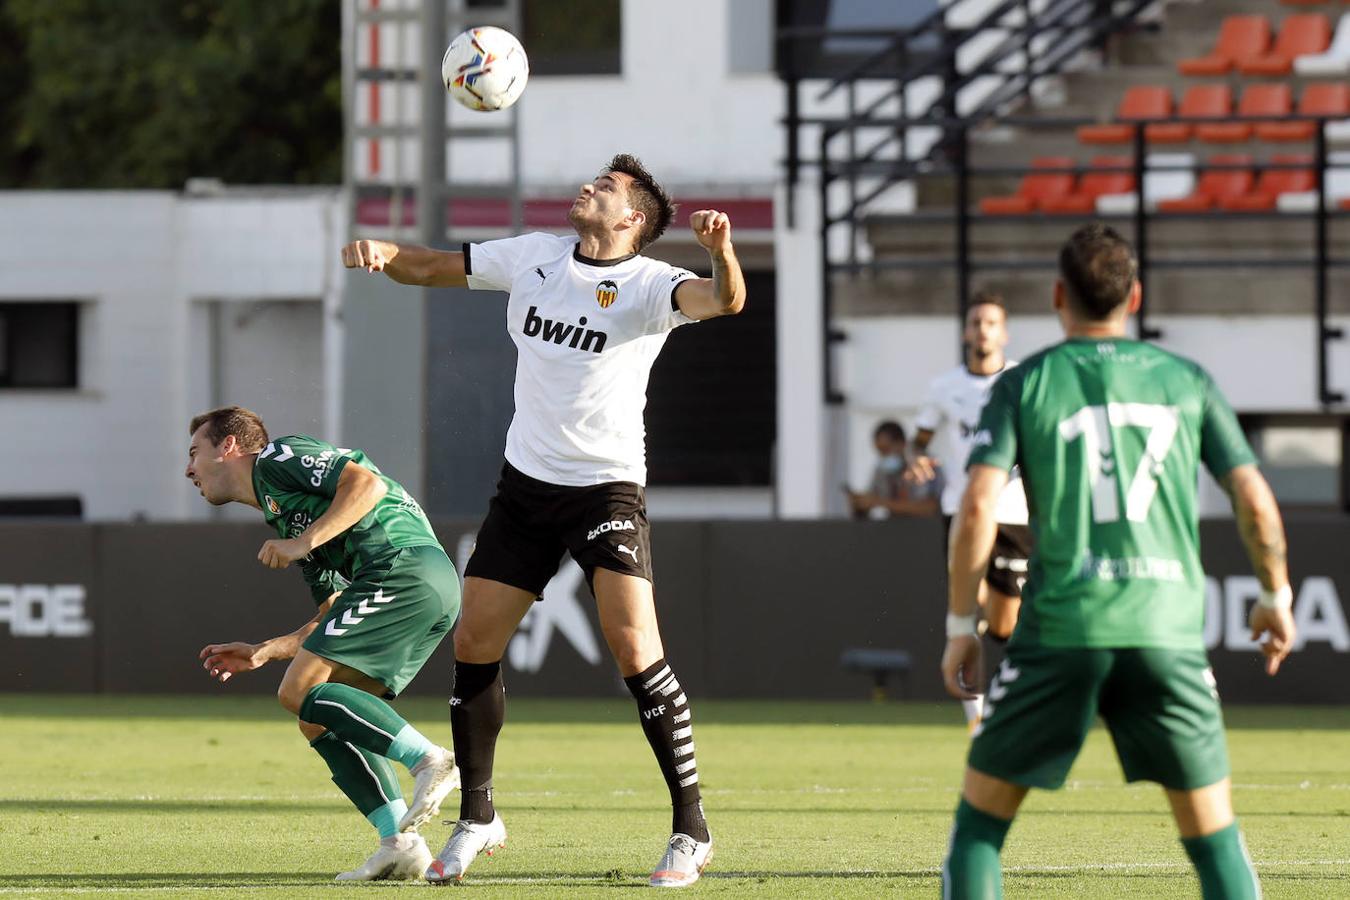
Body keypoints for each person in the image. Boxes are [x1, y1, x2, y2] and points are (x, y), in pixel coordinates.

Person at [340, 153, 746, 887]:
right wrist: (384, 254)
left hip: (605, 491)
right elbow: (431, 267)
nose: (590, 187)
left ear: (631, 221)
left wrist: (720, 252)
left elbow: (723, 303)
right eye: (596, 180)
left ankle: (692, 829)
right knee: (474, 641)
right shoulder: (534, 256)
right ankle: (478, 817)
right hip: (525, 488)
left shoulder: (654, 285)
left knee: (633, 649)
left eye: (609, 188)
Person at [939, 224, 1295, 899]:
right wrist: (1276, 596)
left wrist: (963, 622)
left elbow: (978, 508)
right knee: (1215, 841)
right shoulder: (1185, 379)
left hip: (1062, 631)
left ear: (1057, 295)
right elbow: (1255, 498)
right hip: (1166, 633)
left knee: (979, 832)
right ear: (1135, 297)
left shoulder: (1028, 382)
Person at [186, 406, 462, 882]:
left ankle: (430, 761)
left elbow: (366, 484)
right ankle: (399, 843)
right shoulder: (285, 515)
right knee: (314, 715)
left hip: (403, 567)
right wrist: (265, 650)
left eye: (194, 453)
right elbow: (331, 611)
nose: (189, 469)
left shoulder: (277, 457)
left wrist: (304, 543)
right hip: (420, 585)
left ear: (229, 446)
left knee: (297, 691)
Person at [907, 291, 1031, 724]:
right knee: (968, 605)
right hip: (960, 509)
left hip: (1014, 513)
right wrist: (915, 459)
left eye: (991, 323)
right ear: (966, 332)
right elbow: (917, 442)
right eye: (976, 322)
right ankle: (976, 718)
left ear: (1005, 333)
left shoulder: (1021, 381)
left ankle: (1010, 693)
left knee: (1004, 624)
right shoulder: (945, 388)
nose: (983, 330)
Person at [846, 420, 941, 518]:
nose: (883, 456)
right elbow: (872, 500)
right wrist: (860, 504)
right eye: (880, 452)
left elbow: (929, 508)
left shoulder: (923, 464)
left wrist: (881, 502)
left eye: (886, 449)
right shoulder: (882, 470)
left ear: (902, 444)